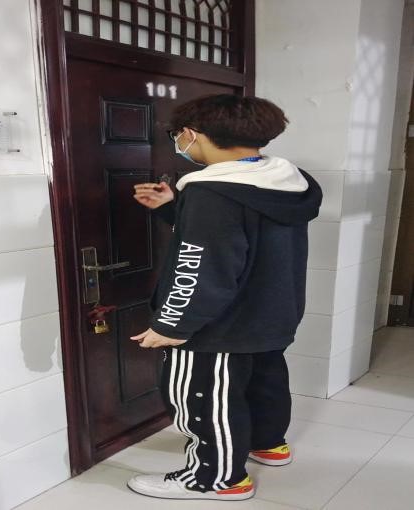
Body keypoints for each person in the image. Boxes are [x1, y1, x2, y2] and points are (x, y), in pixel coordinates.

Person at [128, 94, 323, 501]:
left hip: (219, 325)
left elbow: (200, 265)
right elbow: (242, 235)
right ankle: (268, 445)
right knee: (264, 383)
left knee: (203, 397)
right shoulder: (284, 181)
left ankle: (216, 478)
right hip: (272, 314)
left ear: (192, 133)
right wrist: (172, 208)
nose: (179, 142)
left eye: (177, 134)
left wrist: (172, 325)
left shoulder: (212, 192)